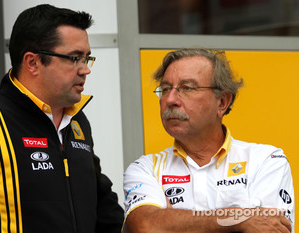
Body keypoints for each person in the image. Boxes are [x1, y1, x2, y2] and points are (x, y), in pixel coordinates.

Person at [0, 4, 124, 233]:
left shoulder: (77, 121)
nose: (85, 70)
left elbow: (102, 206)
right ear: (33, 62)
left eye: (87, 58)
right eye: (74, 58)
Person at [123, 48, 294, 232]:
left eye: (187, 88)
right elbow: (146, 225)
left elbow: (269, 229)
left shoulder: (267, 161)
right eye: (165, 89)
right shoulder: (145, 169)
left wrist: (174, 223)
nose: (171, 99)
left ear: (222, 102)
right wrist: (237, 219)